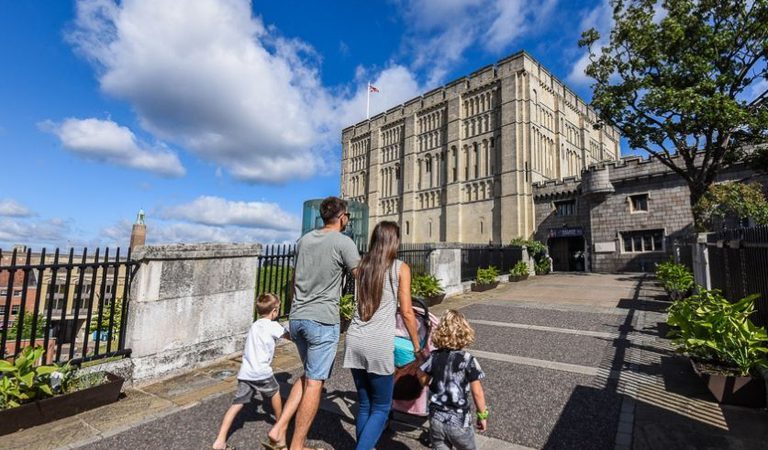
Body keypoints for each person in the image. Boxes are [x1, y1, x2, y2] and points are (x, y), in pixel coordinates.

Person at [265, 196, 360, 450]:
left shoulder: (304, 240)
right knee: (316, 383)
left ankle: (278, 428)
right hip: (322, 321)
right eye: (347, 216)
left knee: (309, 376)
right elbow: (361, 276)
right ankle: (297, 446)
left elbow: (295, 280)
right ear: (342, 217)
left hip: (297, 319)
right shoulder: (344, 242)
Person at [342, 221, 422, 450]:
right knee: (382, 407)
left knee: (366, 404)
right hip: (377, 344)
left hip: (355, 339)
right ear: (394, 241)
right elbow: (407, 312)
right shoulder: (400, 267)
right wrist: (417, 346)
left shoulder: (362, 267)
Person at [213, 293, 289, 450]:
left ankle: (220, 441)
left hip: (246, 372)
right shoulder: (274, 326)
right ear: (275, 310)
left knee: (237, 404)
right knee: (275, 393)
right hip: (262, 372)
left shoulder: (254, 325)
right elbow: (289, 336)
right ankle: (280, 425)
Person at [420, 310, 488, 450]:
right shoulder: (468, 360)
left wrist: (432, 382)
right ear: (464, 332)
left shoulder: (433, 357)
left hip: (436, 420)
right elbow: (477, 393)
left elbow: (421, 378)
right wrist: (482, 415)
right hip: (459, 422)